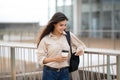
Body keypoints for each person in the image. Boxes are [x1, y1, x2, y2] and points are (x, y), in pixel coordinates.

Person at [36, 12, 86, 80]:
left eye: (65, 25)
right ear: (54, 24)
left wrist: (80, 50)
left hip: (64, 72)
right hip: (49, 73)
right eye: (61, 25)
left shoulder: (68, 35)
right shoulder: (45, 39)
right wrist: (55, 59)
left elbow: (81, 45)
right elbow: (41, 59)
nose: (63, 27)